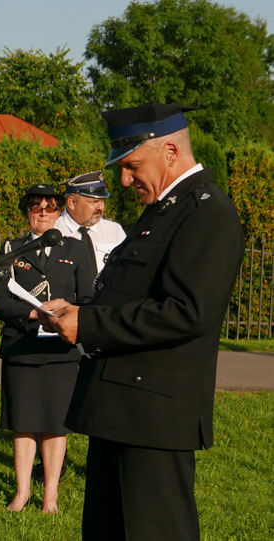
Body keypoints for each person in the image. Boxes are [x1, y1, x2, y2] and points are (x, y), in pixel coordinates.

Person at [41, 104, 244, 540]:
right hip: (119, 409)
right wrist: (79, 314)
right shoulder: (162, 209)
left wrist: (90, 326)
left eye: (132, 166)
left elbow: (188, 311)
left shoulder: (208, 213)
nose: (124, 180)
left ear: (170, 151)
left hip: (155, 415)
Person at [0, 184, 93, 513]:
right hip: (22, 345)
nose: (43, 213)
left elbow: (89, 298)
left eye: (49, 207)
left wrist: (64, 313)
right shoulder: (12, 249)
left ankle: (50, 497)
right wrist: (33, 312)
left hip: (62, 349)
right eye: (36, 208)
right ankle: (21, 493)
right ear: (27, 213)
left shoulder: (76, 249)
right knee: (24, 422)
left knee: (55, 424)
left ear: (60, 212)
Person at [54, 170, 126, 275]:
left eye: (103, 201)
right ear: (72, 202)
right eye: (94, 202)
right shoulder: (54, 230)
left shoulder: (114, 230)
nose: (100, 207)